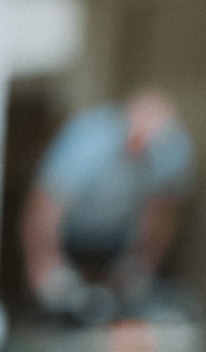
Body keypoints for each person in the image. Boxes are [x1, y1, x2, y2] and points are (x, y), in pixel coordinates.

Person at [23, 89, 195, 323]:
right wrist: (43, 266)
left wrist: (144, 264)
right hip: (71, 234)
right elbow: (44, 206)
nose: (140, 149)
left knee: (129, 313)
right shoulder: (88, 138)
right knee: (57, 312)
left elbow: (162, 213)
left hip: (120, 240)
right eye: (137, 139)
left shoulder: (171, 149)